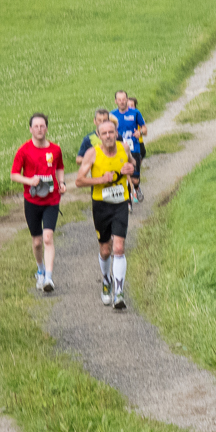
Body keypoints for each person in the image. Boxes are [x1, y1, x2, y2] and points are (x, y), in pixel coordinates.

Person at [76, 119, 135, 309]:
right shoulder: (92, 153)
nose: (109, 136)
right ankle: (106, 279)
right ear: (99, 136)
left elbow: (132, 163)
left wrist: (131, 168)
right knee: (105, 250)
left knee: (119, 247)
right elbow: (79, 181)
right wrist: (100, 180)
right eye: (104, 133)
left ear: (116, 133)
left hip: (120, 203)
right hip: (101, 205)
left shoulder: (123, 148)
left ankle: (119, 293)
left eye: (111, 132)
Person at [10, 113, 66, 293]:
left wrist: (62, 182)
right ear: (30, 129)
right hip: (32, 201)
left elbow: (60, 167)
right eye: (36, 126)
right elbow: (14, 175)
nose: (40, 129)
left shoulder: (55, 149)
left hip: (52, 200)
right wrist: (29, 181)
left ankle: (48, 278)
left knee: (48, 237)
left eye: (42, 126)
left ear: (47, 128)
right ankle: (40, 269)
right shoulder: (24, 150)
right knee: (37, 242)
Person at [111, 90, 146, 203]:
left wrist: (140, 132)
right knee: (123, 177)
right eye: (119, 99)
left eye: (123, 99)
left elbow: (144, 129)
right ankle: (127, 202)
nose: (122, 102)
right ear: (116, 101)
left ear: (127, 100)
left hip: (134, 149)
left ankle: (136, 187)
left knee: (134, 179)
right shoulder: (112, 115)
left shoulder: (135, 113)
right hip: (119, 150)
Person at [127, 97, 146, 163]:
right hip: (126, 142)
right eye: (128, 105)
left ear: (135, 106)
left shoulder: (137, 115)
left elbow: (144, 129)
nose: (130, 107)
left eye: (132, 105)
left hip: (138, 142)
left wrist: (140, 132)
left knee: (141, 154)